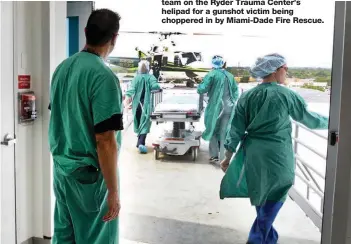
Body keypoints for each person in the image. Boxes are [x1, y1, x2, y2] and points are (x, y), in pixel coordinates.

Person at [219, 53, 329, 244]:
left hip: (253, 154)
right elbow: (310, 120)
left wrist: (227, 155)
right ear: (276, 70)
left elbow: (235, 128)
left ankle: (269, 239)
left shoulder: (248, 96)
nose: (286, 73)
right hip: (278, 154)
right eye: (285, 69)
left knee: (261, 191)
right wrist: (335, 122)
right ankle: (256, 239)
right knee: (278, 190)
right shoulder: (286, 94)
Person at [48, 9, 123, 244]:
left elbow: (61, 117)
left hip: (63, 171)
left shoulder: (63, 69)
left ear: (85, 32)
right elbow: (105, 140)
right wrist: (113, 191)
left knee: (64, 237)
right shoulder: (103, 77)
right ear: (114, 38)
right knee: (97, 238)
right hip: (90, 180)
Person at [197, 55, 239, 163]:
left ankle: (214, 155)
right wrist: (232, 102)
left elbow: (202, 89)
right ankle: (223, 158)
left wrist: (200, 83)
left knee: (213, 131)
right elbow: (235, 91)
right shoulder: (230, 76)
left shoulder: (211, 75)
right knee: (224, 132)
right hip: (229, 107)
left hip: (216, 108)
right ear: (224, 64)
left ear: (212, 64)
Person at [125, 60, 160, 153]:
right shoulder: (150, 77)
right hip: (146, 105)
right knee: (145, 123)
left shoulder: (136, 78)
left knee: (139, 122)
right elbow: (155, 86)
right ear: (148, 69)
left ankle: (139, 142)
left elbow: (130, 90)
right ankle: (141, 143)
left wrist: (126, 98)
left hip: (136, 106)